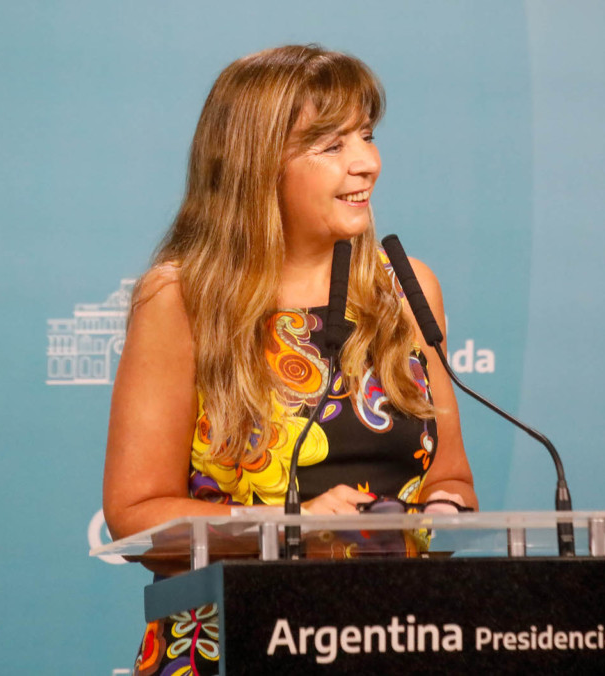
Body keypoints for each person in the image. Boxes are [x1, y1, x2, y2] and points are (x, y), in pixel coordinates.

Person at [102, 44, 477, 675]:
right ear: (257, 164)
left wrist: (436, 517)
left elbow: (451, 479)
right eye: (331, 146)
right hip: (231, 645)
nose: (367, 163)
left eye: (366, 135)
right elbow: (137, 518)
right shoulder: (181, 299)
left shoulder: (406, 289)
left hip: (390, 639)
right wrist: (288, 524)